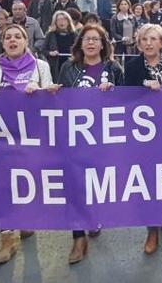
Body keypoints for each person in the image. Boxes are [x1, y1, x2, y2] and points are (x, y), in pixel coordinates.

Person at [0, 24, 56, 264]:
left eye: (18, 37)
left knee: (25, 182)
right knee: (1, 184)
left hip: (30, 137)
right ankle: (6, 237)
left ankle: (25, 219)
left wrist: (41, 91)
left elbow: (52, 100)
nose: (12, 40)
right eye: (8, 37)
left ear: (26, 41)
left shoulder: (40, 67)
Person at [57, 24, 122, 263]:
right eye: (87, 39)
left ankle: (93, 216)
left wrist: (113, 92)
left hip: (102, 137)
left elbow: (126, 104)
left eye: (96, 39)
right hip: (75, 136)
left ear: (103, 45)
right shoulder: (68, 67)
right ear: (80, 43)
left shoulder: (113, 68)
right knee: (74, 183)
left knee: (95, 182)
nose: (91, 43)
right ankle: (78, 237)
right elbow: (60, 98)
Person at [123, 24, 162, 254]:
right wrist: (142, 85)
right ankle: (152, 228)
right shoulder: (133, 66)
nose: (148, 43)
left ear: (161, 42)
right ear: (139, 44)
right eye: (144, 40)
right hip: (145, 133)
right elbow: (124, 95)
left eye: (153, 39)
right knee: (149, 177)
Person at [45, 10, 77, 81]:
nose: (61, 22)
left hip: (71, 65)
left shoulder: (74, 35)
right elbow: (43, 50)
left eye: (63, 19)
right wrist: (50, 53)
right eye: (58, 20)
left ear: (68, 21)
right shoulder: (50, 35)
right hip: (55, 66)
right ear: (55, 22)